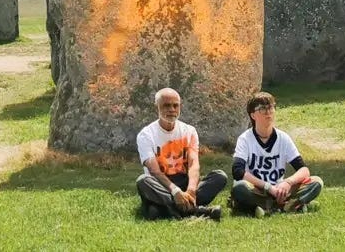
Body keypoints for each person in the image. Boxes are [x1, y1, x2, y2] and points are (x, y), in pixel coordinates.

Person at [136, 88, 227, 220]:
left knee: (220, 176)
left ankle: (166, 209)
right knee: (143, 181)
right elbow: (154, 171)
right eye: (166, 105)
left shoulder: (189, 131)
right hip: (161, 184)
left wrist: (191, 190)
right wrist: (175, 191)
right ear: (157, 107)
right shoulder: (146, 135)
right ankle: (196, 210)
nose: (172, 109)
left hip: (184, 181)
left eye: (175, 105)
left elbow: (193, 164)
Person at [230, 92, 323, 216]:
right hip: (258, 189)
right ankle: (288, 205)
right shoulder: (245, 139)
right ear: (253, 115)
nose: (268, 112)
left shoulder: (283, 138)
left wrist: (287, 183)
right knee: (240, 187)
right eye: (262, 109)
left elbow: (303, 169)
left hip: (280, 189)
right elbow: (238, 171)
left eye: (271, 107)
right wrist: (268, 188)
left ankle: (266, 206)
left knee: (316, 182)